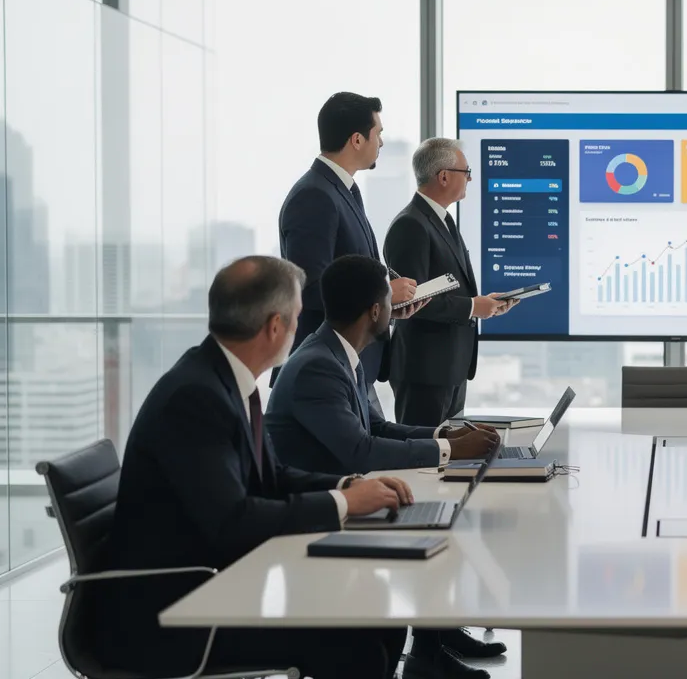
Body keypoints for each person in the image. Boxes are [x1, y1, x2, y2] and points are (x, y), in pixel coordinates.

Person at [96, 256, 413, 678]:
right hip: (177, 611)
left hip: (216, 583)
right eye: (298, 318)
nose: (301, 330)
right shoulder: (196, 398)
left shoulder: (224, 379)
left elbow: (272, 477)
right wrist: (343, 503)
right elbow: (233, 520)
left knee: (380, 620)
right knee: (360, 646)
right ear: (274, 326)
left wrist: (348, 485)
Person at [267, 253, 505, 679]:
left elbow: (377, 426)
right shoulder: (319, 365)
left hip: (342, 501)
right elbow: (361, 450)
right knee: (433, 525)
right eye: (389, 298)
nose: (397, 307)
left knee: (438, 520)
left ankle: (426, 652)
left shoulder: (338, 352)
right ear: (376, 310)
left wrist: (444, 438)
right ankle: (424, 655)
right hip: (314, 519)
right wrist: (451, 453)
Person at [276, 91, 424, 390]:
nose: (380, 142)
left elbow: (347, 281)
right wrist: (383, 293)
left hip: (351, 365)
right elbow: (311, 287)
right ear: (357, 140)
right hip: (324, 370)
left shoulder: (342, 191)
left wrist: (386, 308)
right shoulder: (315, 196)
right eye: (377, 134)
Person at [384, 137, 515, 425]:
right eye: (465, 172)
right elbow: (412, 301)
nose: (469, 179)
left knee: (449, 458)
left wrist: (485, 304)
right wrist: (471, 307)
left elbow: (448, 285)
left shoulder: (441, 219)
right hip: (425, 371)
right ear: (443, 176)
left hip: (449, 369)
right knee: (424, 458)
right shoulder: (411, 225)